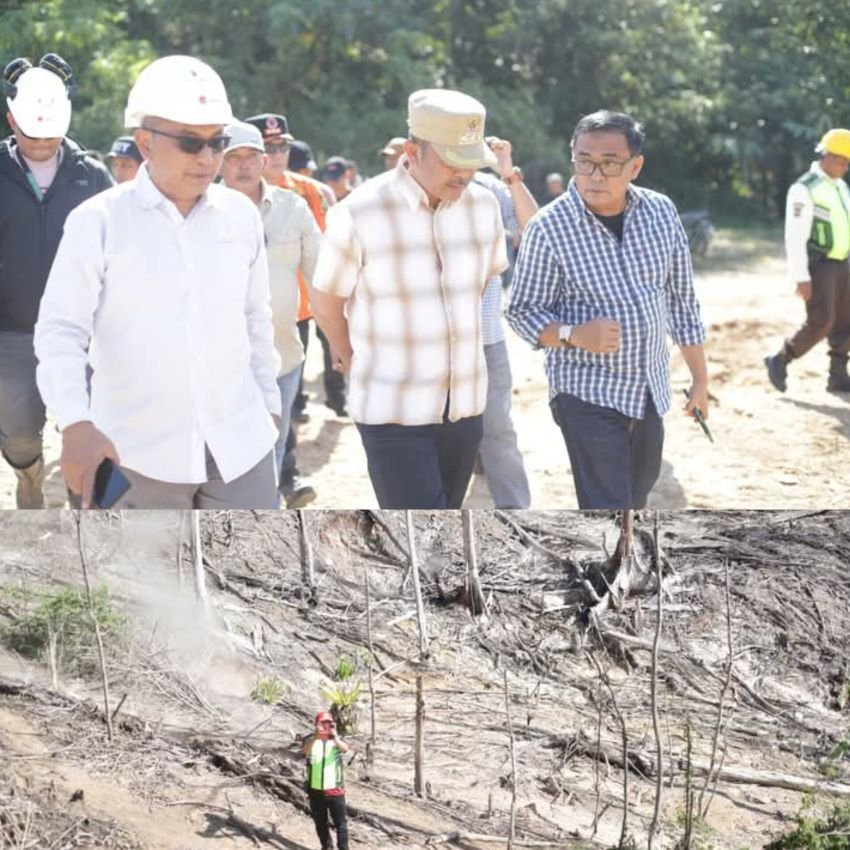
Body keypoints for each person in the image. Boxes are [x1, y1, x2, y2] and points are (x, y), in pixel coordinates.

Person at [34, 55, 281, 509]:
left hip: (242, 449)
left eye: (217, 142)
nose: (207, 158)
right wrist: (75, 423)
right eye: (190, 143)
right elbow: (60, 331)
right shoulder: (97, 222)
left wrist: (270, 404)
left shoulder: (241, 216)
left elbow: (255, 318)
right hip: (133, 457)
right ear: (145, 142)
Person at [311, 88, 507, 509]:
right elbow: (326, 300)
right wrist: (351, 355)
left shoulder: (483, 206)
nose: (464, 173)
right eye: (452, 160)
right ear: (413, 151)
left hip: (465, 406)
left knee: (447, 523)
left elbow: (478, 286)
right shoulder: (360, 211)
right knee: (418, 534)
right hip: (392, 410)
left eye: (471, 161)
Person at [507, 110, 708, 510]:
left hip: (649, 387)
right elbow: (521, 310)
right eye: (585, 162)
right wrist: (574, 335)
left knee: (637, 495)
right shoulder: (549, 228)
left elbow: (682, 300)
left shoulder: (660, 212)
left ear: (635, 166)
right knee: (607, 505)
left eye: (610, 163)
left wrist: (700, 379)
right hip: (585, 392)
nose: (595, 175)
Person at [0, 53, 112, 508]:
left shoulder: (93, 176)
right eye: (33, 134)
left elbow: (116, 252)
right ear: (11, 120)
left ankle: (81, 505)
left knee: (83, 426)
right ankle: (28, 476)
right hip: (12, 332)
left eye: (51, 133)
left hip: (82, 333)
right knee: (19, 433)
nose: (44, 142)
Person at [220, 121, 321, 485]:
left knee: (272, 450)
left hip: (283, 357)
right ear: (219, 162)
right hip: (220, 364)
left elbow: (322, 277)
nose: (244, 165)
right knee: (223, 456)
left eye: (251, 156)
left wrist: (342, 338)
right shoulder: (198, 211)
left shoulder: (293, 208)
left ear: (264, 161)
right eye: (234, 157)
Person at [472, 139, 538, 508]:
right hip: (430, 340)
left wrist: (509, 174)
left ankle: (515, 510)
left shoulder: (491, 189)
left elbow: (534, 227)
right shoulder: (411, 191)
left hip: (487, 336)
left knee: (497, 429)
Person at [765, 128, 850, 394]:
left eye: (848, 162)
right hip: (820, 265)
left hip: (843, 263)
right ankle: (780, 359)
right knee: (821, 321)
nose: (845, 167)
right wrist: (801, 276)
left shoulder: (840, 187)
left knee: (845, 321)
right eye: (842, 161)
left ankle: (837, 375)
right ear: (827, 156)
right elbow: (794, 236)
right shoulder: (805, 188)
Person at [303, 711, 350, 850]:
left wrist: (335, 737)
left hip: (335, 790)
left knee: (341, 824)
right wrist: (316, 737)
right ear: (316, 724)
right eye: (322, 723)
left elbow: (345, 749)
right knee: (320, 823)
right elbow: (305, 751)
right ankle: (326, 847)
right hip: (315, 791)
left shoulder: (335, 741)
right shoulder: (311, 741)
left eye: (328, 723)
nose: (325, 726)